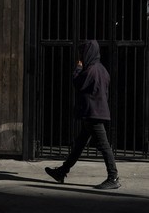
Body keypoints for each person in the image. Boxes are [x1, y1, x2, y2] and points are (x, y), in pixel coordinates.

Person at [45, 40, 121, 190]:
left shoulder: (91, 70)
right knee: (79, 145)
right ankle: (62, 171)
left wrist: (78, 68)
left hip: (93, 113)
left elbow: (77, 82)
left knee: (104, 146)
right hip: (96, 112)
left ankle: (113, 177)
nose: (81, 56)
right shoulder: (103, 70)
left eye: (82, 53)